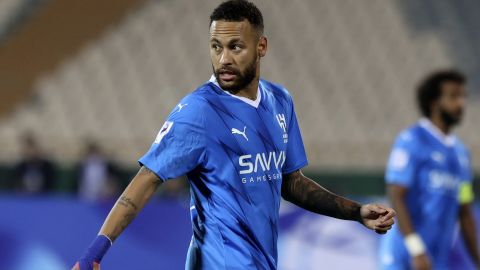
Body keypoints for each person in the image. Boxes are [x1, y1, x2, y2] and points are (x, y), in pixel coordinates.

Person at [73, 1, 396, 269]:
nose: (224, 59)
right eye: (216, 47)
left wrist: (355, 212)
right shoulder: (199, 111)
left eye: (235, 47)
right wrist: (95, 252)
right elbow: (147, 179)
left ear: (261, 47)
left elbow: (289, 181)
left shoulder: (280, 101)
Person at [379, 70, 479, 270]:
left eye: (462, 97)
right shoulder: (412, 141)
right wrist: (416, 249)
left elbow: (465, 208)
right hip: (404, 257)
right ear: (434, 103)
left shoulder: (462, 155)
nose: (461, 103)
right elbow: (396, 195)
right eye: (453, 96)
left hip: (436, 260)